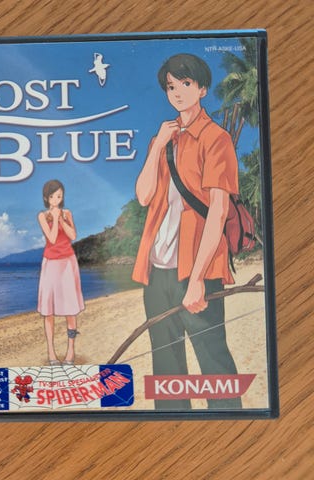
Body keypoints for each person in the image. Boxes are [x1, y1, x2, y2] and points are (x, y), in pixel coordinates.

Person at [132, 53, 242, 409]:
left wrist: (196, 279)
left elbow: (218, 213)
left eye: (186, 83)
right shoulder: (162, 140)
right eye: (171, 86)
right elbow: (144, 196)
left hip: (197, 271)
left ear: (202, 89)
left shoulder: (216, 139)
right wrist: (157, 148)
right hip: (157, 272)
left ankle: (231, 429)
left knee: (213, 361)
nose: (177, 92)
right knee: (166, 370)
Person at [37, 179, 84, 366]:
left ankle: (70, 351)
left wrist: (62, 219)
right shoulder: (42, 216)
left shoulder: (68, 213)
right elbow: (52, 238)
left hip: (68, 263)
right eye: (52, 196)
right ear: (46, 198)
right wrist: (55, 219)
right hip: (50, 263)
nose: (56, 199)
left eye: (59, 196)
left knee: (70, 308)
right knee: (48, 310)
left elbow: (73, 236)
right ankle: (51, 352)